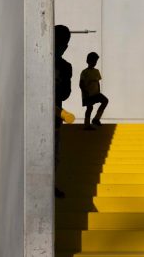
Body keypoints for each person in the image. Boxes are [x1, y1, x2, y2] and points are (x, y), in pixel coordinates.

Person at [55, 24, 75, 198]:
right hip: (34, 117)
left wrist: (57, 83)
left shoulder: (65, 67)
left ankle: (49, 184)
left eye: (63, 44)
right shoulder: (35, 60)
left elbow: (66, 93)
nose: (60, 47)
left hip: (55, 117)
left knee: (53, 153)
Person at [80, 52, 108, 130]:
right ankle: (87, 125)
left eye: (95, 61)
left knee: (105, 101)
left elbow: (97, 82)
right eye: (93, 61)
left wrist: (99, 91)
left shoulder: (96, 71)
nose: (94, 63)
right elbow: (81, 84)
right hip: (87, 94)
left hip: (96, 93)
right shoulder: (84, 72)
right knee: (89, 108)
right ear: (88, 61)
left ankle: (96, 119)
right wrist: (85, 92)